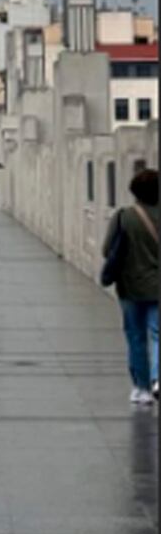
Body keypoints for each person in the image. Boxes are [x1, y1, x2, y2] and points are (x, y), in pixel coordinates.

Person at [103, 168, 160, 406]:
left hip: (130, 288)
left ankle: (142, 388)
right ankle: (158, 377)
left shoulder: (124, 216)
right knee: (157, 334)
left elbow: (107, 250)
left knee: (136, 337)